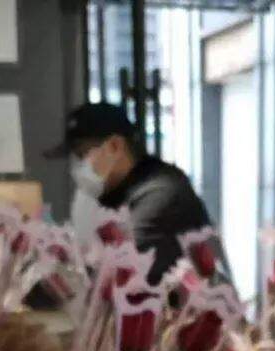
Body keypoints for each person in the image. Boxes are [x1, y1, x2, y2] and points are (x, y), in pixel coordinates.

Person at [48, 101, 214, 284]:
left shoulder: (161, 191)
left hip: (200, 301)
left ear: (115, 146)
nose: (76, 167)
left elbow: (117, 267)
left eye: (81, 154)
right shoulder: (114, 192)